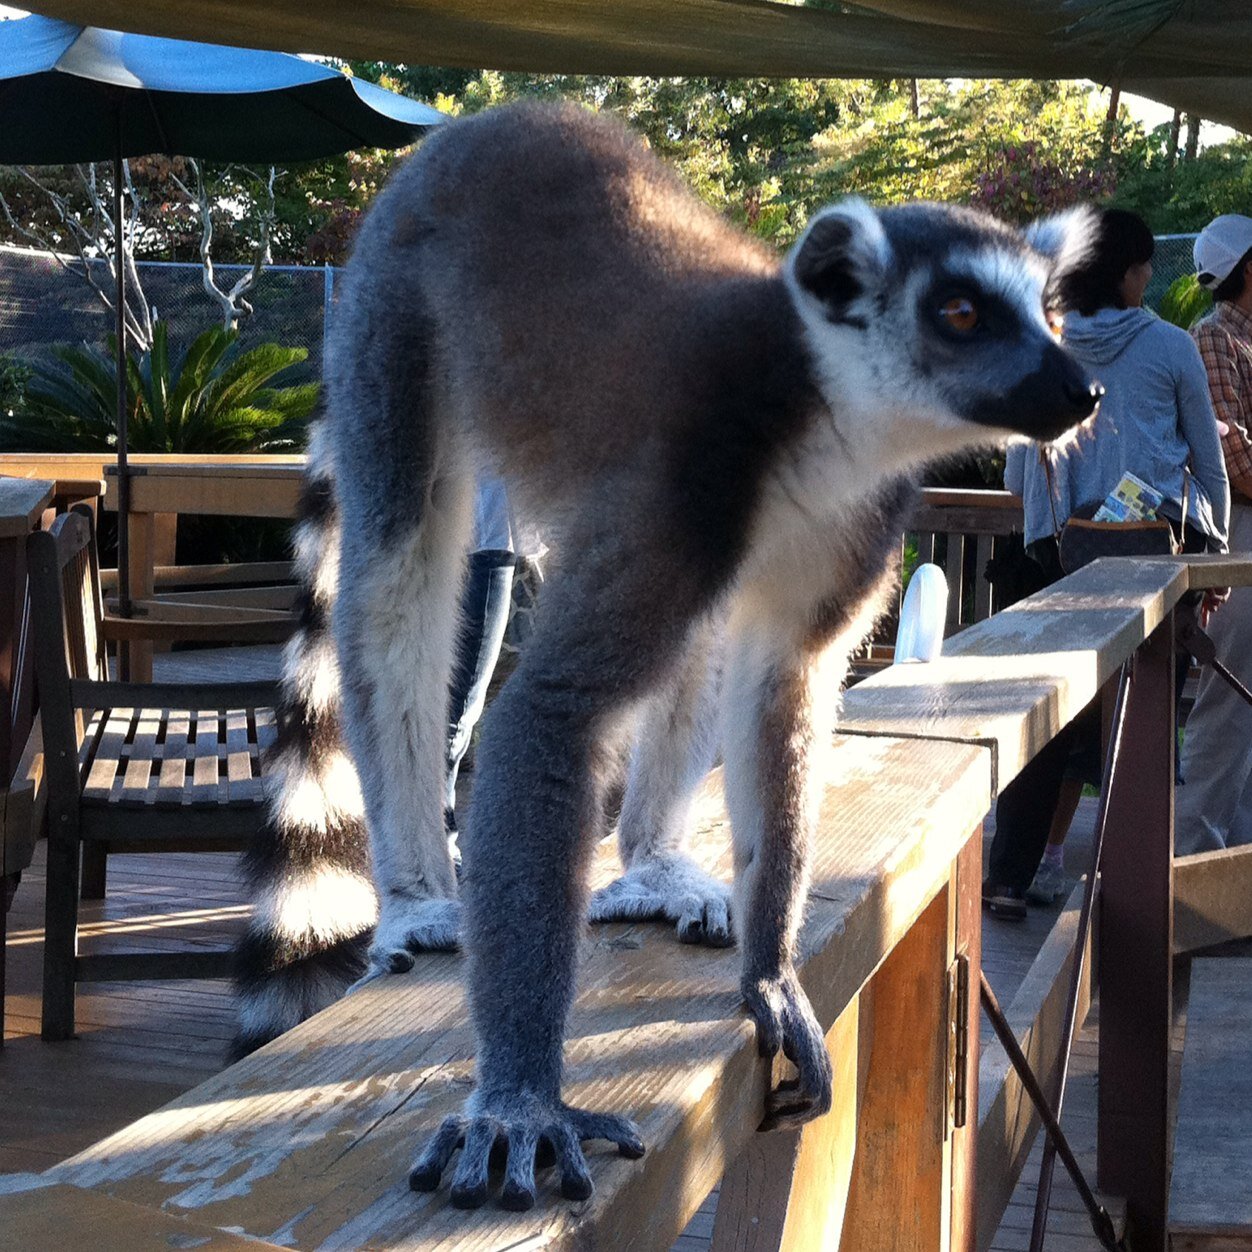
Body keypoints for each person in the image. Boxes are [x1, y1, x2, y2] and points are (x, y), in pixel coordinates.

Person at [984, 208, 1230, 919]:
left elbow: (1013, 477)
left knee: (1050, 719)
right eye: (1143, 267)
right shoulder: (1171, 346)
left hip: (1058, 561)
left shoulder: (1038, 346)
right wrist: (1207, 563)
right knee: (1144, 719)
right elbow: (1208, 470)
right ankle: (1133, 892)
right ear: (1124, 274)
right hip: (1152, 561)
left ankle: (1008, 875)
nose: (1149, 278)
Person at [1175, 215, 1252, 855]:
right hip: (1240, 531)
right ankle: (1195, 867)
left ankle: (1238, 878)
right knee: (1228, 699)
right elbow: (1231, 458)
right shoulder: (1215, 338)